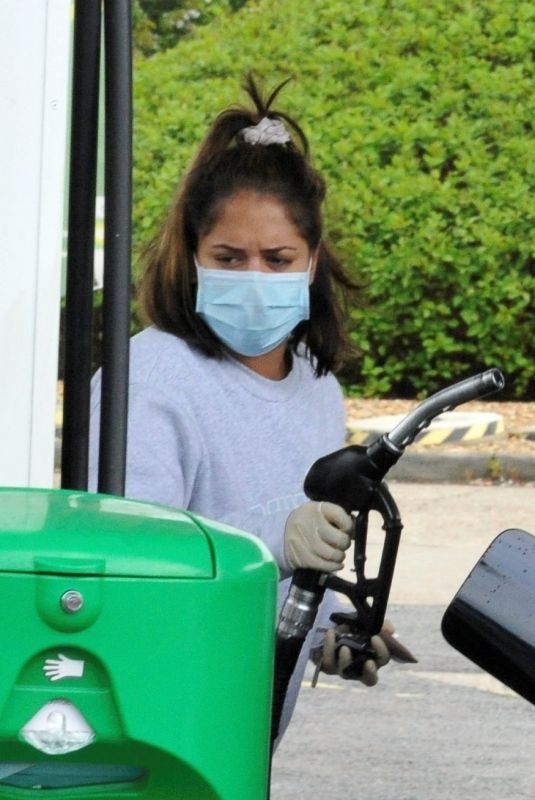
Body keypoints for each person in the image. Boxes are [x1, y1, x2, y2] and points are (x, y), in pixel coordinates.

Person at [89, 75, 405, 742]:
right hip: (148, 726)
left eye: (277, 258)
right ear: (195, 256)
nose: (254, 277)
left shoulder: (317, 388)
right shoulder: (150, 380)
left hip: (243, 736)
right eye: (229, 258)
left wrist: (327, 633)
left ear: (312, 262)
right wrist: (268, 545)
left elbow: (299, 571)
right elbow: (123, 568)